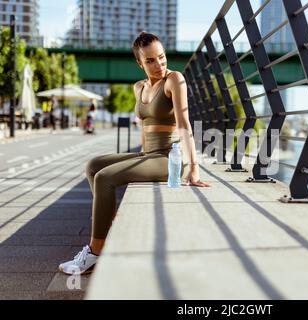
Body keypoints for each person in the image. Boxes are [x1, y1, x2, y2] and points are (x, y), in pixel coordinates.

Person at [58, 32, 211, 275]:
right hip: (148, 155)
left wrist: (194, 168)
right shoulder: (138, 87)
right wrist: (138, 156)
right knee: (93, 165)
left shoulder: (175, 80)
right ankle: (113, 227)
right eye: (150, 60)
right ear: (140, 63)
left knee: (105, 178)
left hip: (168, 159)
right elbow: (143, 127)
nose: (159, 65)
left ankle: (96, 252)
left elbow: (184, 124)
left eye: (161, 57)